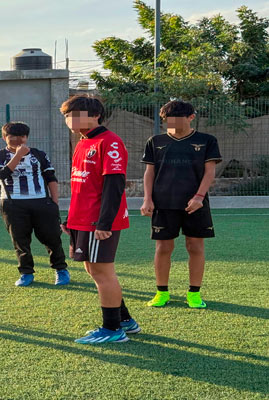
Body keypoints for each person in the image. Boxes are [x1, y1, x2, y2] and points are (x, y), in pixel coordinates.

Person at [60, 95, 140, 344]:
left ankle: (112, 329)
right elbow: (83, 186)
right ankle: (125, 320)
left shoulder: (110, 142)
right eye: (66, 115)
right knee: (92, 269)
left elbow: (114, 185)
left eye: (76, 113)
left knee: (102, 271)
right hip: (82, 219)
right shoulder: (83, 142)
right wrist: (70, 218)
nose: (70, 119)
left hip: (98, 222)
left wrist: (104, 223)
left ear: (95, 115)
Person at [140, 100, 222, 308]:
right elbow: (149, 172)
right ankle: (162, 292)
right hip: (163, 203)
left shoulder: (207, 141)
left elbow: (210, 171)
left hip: (195, 203)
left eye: (178, 119)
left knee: (195, 246)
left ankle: (194, 293)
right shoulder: (155, 141)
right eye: (168, 120)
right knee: (163, 247)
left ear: (191, 118)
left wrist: (199, 197)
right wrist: (147, 199)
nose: (173, 123)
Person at [0, 122, 70, 287]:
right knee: (20, 240)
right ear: (5, 137)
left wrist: (54, 202)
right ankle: (26, 272)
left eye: (22, 136)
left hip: (41, 202)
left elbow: (50, 178)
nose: (19, 140)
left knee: (52, 238)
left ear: (27, 137)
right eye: (13, 137)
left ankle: (60, 269)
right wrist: (18, 156)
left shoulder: (39, 154)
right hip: (13, 204)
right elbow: (2, 175)